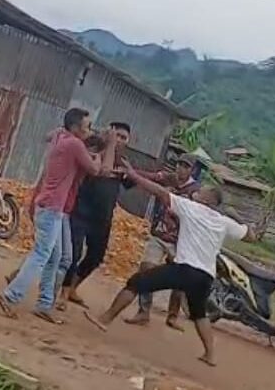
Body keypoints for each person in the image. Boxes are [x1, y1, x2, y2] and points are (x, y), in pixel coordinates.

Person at [84, 159, 255, 366]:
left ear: (207, 200)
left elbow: (158, 191)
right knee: (199, 313)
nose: (198, 191)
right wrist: (240, 219)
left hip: (184, 269)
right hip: (205, 277)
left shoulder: (190, 207)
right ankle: (210, 354)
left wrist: (134, 176)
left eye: (203, 192)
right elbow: (250, 236)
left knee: (136, 282)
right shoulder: (223, 222)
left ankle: (105, 319)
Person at [0, 108, 116, 323]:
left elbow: (51, 135)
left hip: (54, 208)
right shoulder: (74, 144)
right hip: (53, 208)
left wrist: (94, 144)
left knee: (58, 257)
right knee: (42, 254)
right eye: (87, 126)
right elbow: (98, 170)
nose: (90, 130)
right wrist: (106, 148)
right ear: (75, 128)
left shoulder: (62, 137)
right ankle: (11, 295)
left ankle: (44, 303)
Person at [58, 121, 134, 310]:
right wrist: (107, 147)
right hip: (81, 211)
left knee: (96, 256)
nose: (119, 140)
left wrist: (130, 173)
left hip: (103, 218)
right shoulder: (91, 150)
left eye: (123, 137)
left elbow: (130, 183)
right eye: (116, 135)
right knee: (73, 253)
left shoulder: (124, 162)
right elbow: (98, 170)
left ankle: (73, 287)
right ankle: (63, 293)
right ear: (108, 133)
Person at [125, 153, 200, 330]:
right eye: (180, 164)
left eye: (186, 166)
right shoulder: (169, 178)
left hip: (181, 241)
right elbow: (152, 177)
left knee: (180, 280)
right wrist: (132, 172)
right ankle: (143, 311)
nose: (181, 169)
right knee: (146, 269)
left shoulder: (196, 191)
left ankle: (172, 315)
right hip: (159, 234)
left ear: (192, 170)